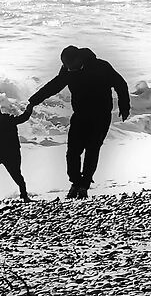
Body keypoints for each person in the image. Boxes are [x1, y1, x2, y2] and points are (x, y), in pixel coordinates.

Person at [28, 45, 130, 199]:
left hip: (100, 116)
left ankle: (84, 186)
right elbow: (54, 86)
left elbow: (120, 84)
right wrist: (33, 101)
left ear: (79, 59)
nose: (69, 69)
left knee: (92, 150)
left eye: (71, 66)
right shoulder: (68, 69)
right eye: (66, 66)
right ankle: (75, 182)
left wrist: (124, 106)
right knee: (72, 152)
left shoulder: (101, 67)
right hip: (80, 115)